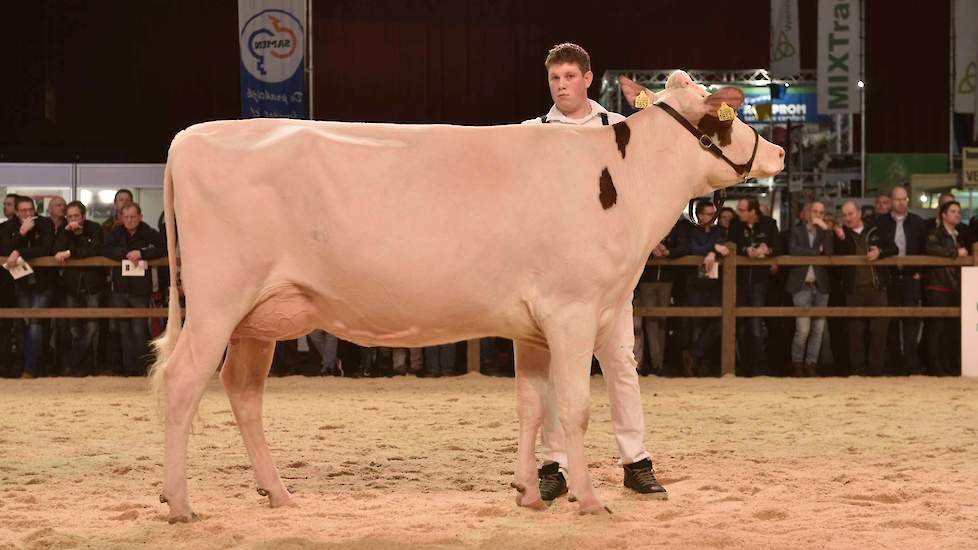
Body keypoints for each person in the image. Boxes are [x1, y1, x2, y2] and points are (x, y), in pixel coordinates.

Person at [522, 42, 664, 500]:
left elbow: (646, 180)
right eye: (554, 79)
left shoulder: (618, 128)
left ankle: (635, 460)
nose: (561, 85)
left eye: (569, 77)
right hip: (550, 281)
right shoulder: (532, 132)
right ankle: (554, 466)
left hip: (607, 277)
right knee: (550, 372)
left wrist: (644, 99)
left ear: (587, 78)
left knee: (621, 364)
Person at [833, 200, 896, 376]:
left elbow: (894, 248)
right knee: (855, 334)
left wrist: (879, 253)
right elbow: (837, 256)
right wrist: (841, 238)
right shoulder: (841, 234)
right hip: (853, 289)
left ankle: (876, 371)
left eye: (850, 214)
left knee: (879, 332)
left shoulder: (876, 230)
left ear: (859, 213)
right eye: (844, 215)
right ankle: (857, 371)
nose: (847, 218)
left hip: (877, 288)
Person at [103, 203, 165, 376]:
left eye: (133, 216)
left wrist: (142, 253)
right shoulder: (115, 233)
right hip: (120, 288)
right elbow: (105, 250)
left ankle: (141, 369)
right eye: (126, 217)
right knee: (122, 330)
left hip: (140, 289)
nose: (129, 220)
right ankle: (126, 369)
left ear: (140, 217)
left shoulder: (149, 232)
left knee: (139, 330)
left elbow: (163, 248)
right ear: (121, 218)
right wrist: (127, 253)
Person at [0, 196, 56, 378]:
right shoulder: (7, 227)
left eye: (31, 210)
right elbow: (4, 250)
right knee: (25, 323)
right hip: (21, 282)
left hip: (44, 282)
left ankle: (30, 369)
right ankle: (32, 365)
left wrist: (19, 251)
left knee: (35, 322)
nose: (28, 214)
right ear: (16, 212)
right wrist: (21, 234)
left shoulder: (45, 223)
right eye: (23, 211)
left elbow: (46, 249)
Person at [875, 186, 928, 375]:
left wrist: (919, 272)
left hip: (911, 278)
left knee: (911, 323)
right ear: (891, 201)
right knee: (890, 323)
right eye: (898, 199)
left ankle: (910, 365)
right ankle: (894, 365)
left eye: (905, 199)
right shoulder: (881, 222)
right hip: (889, 278)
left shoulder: (917, 222)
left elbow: (925, 249)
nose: (902, 202)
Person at [54, 201, 105, 376]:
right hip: (71, 285)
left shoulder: (95, 228)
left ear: (83, 216)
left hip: (93, 285)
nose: (73, 219)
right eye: (70, 216)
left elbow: (96, 249)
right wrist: (68, 233)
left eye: (76, 216)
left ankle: (72, 363)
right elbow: (55, 250)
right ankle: (82, 368)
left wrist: (70, 253)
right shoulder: (64, 230)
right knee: (74, 328)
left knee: (92, 327)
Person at [730, 198, 779, 376]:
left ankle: (759, 365)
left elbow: (778, 246)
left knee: (756, 325)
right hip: (740, 280)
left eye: (743, 210)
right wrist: (746, 251)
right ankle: (744, 366)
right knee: (741, 325)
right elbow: (731, 243)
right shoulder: (736, 224)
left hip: (759, 280)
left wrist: (767, 251)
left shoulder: (769, 224)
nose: (739, 213)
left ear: (753, 211)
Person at [786, 201, 833, 377]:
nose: (818, 215)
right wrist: (816, 251)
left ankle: (811, 365)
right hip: (801, 285)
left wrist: (826, 231)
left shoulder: (825, 233)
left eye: (821, 212)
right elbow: (794, 250)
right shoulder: (797, 231)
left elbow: (828, 252)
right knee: (803, 329)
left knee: (818, 330)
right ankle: (797, 363)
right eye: (815, 211)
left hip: (820, 286)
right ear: (808, 213)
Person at [682, 200, 728, 376]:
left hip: (714, 283)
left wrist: (712, 251)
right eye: (707, 214)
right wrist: (713, 249)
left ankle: (695, 356)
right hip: (695, 284)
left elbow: (725, 247)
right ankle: (695, 363)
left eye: (712, 214)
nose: (710, 218)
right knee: (696, 323)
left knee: (715, 323)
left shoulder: (719, 231)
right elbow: (693, 248)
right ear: (699, 215)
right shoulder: (692, 231)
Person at [923, 201, 967, 376]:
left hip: (952, 287)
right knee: (936, 328)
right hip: (937, 286)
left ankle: (947, 365)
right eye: (953, 211)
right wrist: (955, 253)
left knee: (950, 329)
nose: (957, 214)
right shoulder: (935, 233)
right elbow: (930, 248)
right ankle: (935, 367)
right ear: (943, 215)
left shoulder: (957, 235)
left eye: (958, 211)